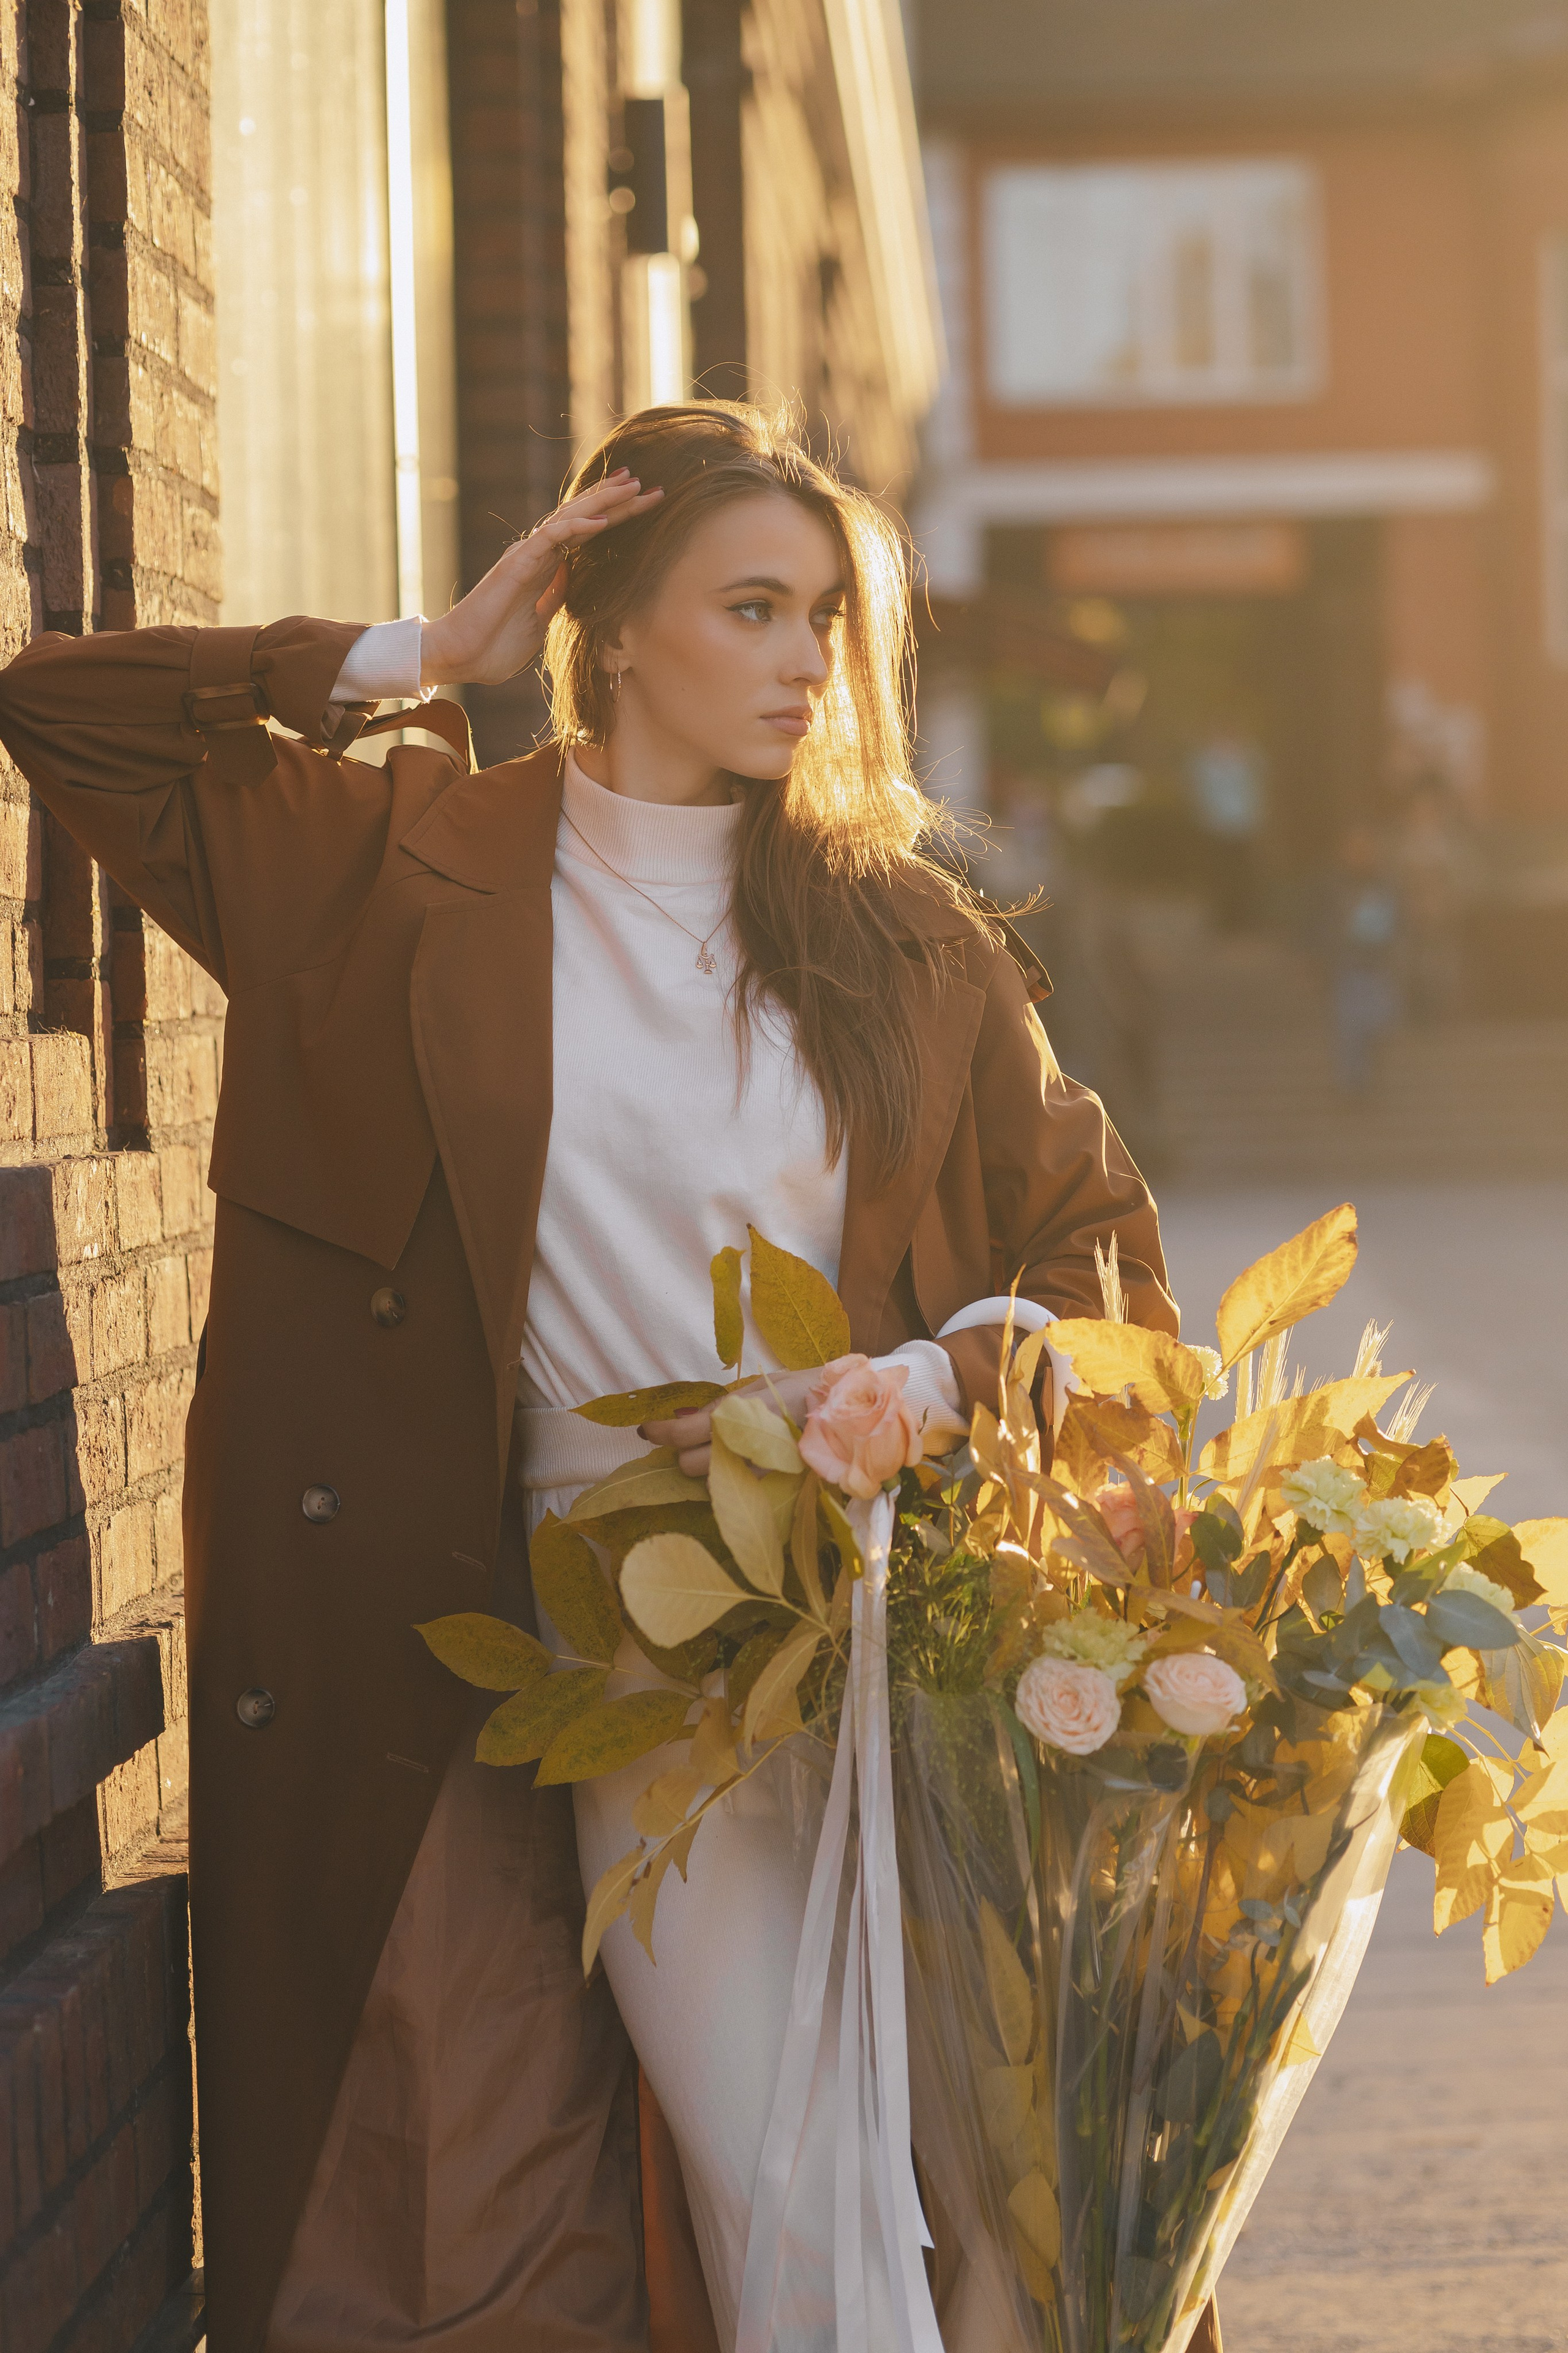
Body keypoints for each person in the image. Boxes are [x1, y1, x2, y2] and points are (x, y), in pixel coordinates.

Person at [0, 401, 1200, 2352]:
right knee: (794, 2182)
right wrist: (421, 654)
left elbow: (1104, 1255)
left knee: (1009, 2205)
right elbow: (67, 708)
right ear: (612, 622)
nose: (811, 658)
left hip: (923, 1618)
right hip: (623, 1637)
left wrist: (941, 1371)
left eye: (831, 615)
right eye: (754, 606)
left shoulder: (902, 937)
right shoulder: (400, 871)